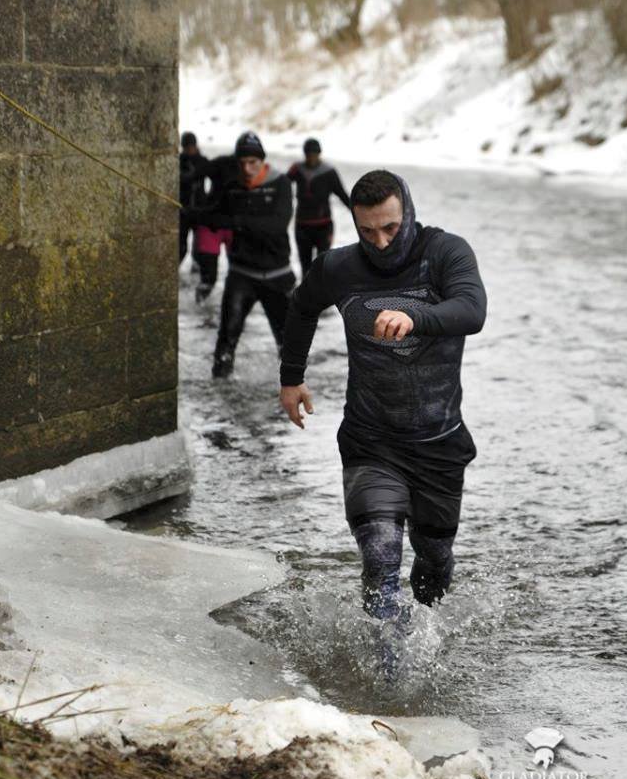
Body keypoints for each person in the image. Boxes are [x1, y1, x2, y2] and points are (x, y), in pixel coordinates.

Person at [279, 169, 486, 622]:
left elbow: (472, 310)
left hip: (439, 443)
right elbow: (301, 307)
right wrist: (291, 377)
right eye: (367, 231)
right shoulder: (339, 267)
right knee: (380, 560)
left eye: (391, 227)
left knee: (432, 565)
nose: (381, 241)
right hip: (371, 440)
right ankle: (386, 677)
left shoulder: (446, 253)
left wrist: (417, 318)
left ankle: (427, 646)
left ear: (408, 212)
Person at [204, 131, 295, 378]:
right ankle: (220, 394)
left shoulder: (281, 183)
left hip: (278, 274)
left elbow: (277, 224)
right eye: (241, 163)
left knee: (290, 346)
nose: (246, 168)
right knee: (226, 341)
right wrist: (193, 214)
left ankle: (292, 396)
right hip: (241, 274)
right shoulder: (231, 186)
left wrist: (235, 222)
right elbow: (213, 214)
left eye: (252, 162)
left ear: (262, 161)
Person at [178, 132, 236, 304]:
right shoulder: (179, 161)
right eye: (186, 147)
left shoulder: (203, 162)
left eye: (192, 146)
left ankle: (196, 270)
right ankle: (180, 276)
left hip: (202, 212)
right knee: (181, 247)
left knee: (200, 251)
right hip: (185, 211)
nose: (189, 150)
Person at [287, 138, 350, 278]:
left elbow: (341, 193)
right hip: (302, 225)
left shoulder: (328, 172)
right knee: (305, 267)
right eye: (308, 154)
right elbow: (283, 185)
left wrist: (356, 210)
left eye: (314, 154)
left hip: (323, 226)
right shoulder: (297, 169)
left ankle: (321, 297)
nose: (311, 157)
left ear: (319, 154)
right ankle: (305, 297)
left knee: (321, 265)